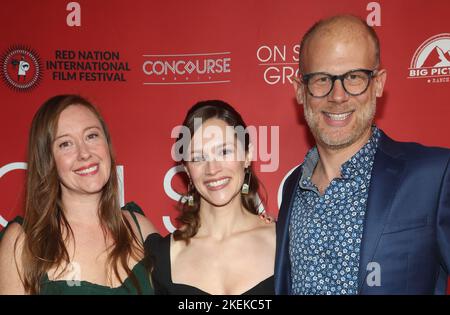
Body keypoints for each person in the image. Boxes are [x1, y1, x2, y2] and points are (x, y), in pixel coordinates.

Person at [275, 15, 450, 294]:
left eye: (354, 77)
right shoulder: (293, 188)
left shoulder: (434, 176)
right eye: (322, 79)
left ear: (378, 83)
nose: (338, 95)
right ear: (300, 90)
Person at [0, 95, 156, 294]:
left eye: (91, 136)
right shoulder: (22, 243)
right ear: (48, 160)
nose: (84, 153)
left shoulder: (139, 227)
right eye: (66, 144)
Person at [146, 100, 275, 295]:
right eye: (198, 158)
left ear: (248, 155)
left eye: (224, 152)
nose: (213, 169)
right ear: (187, 169)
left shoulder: (285, 242)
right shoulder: (164, 256)